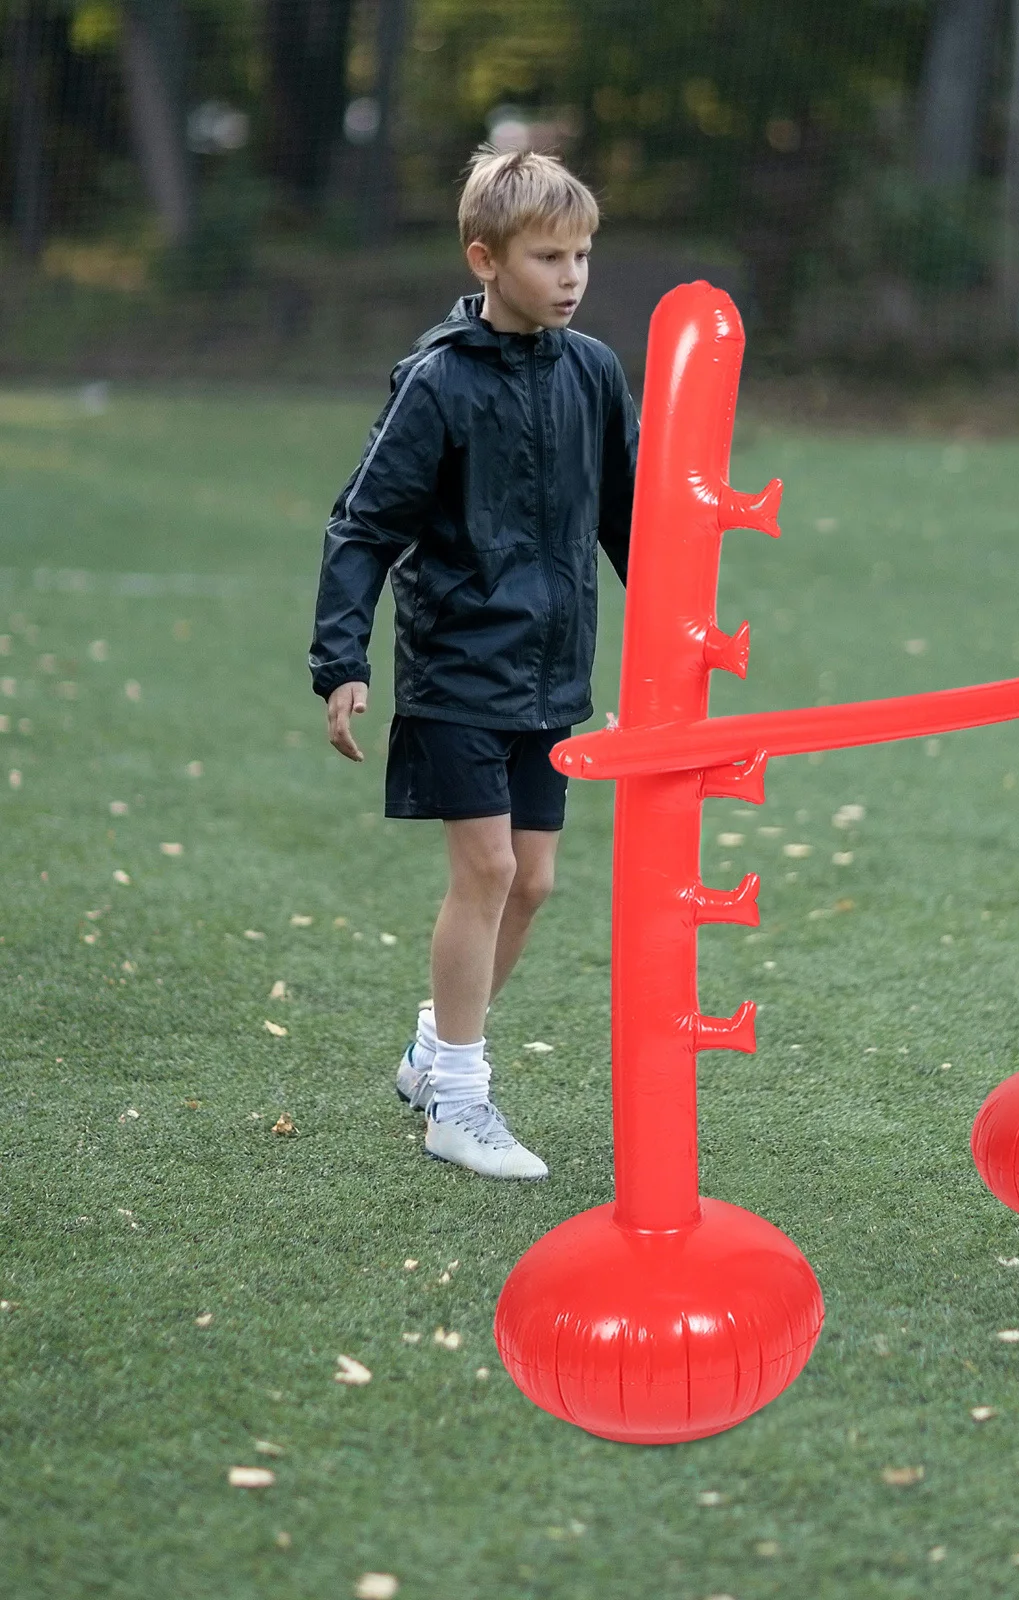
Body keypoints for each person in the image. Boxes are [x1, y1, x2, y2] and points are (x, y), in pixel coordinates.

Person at [308, 147, 636, 1179]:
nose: (573, 275)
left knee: (533, 881)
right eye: (550, 255)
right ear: (485, 259)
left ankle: (431, 1049)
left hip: (551, 674)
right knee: (486, 868)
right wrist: (340, 658)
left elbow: (632, 518)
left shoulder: (593, 371)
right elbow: (363, 525)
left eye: (582, 253)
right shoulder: (437, 381)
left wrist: (683, 634)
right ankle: (458, 1098)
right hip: (457, 670)